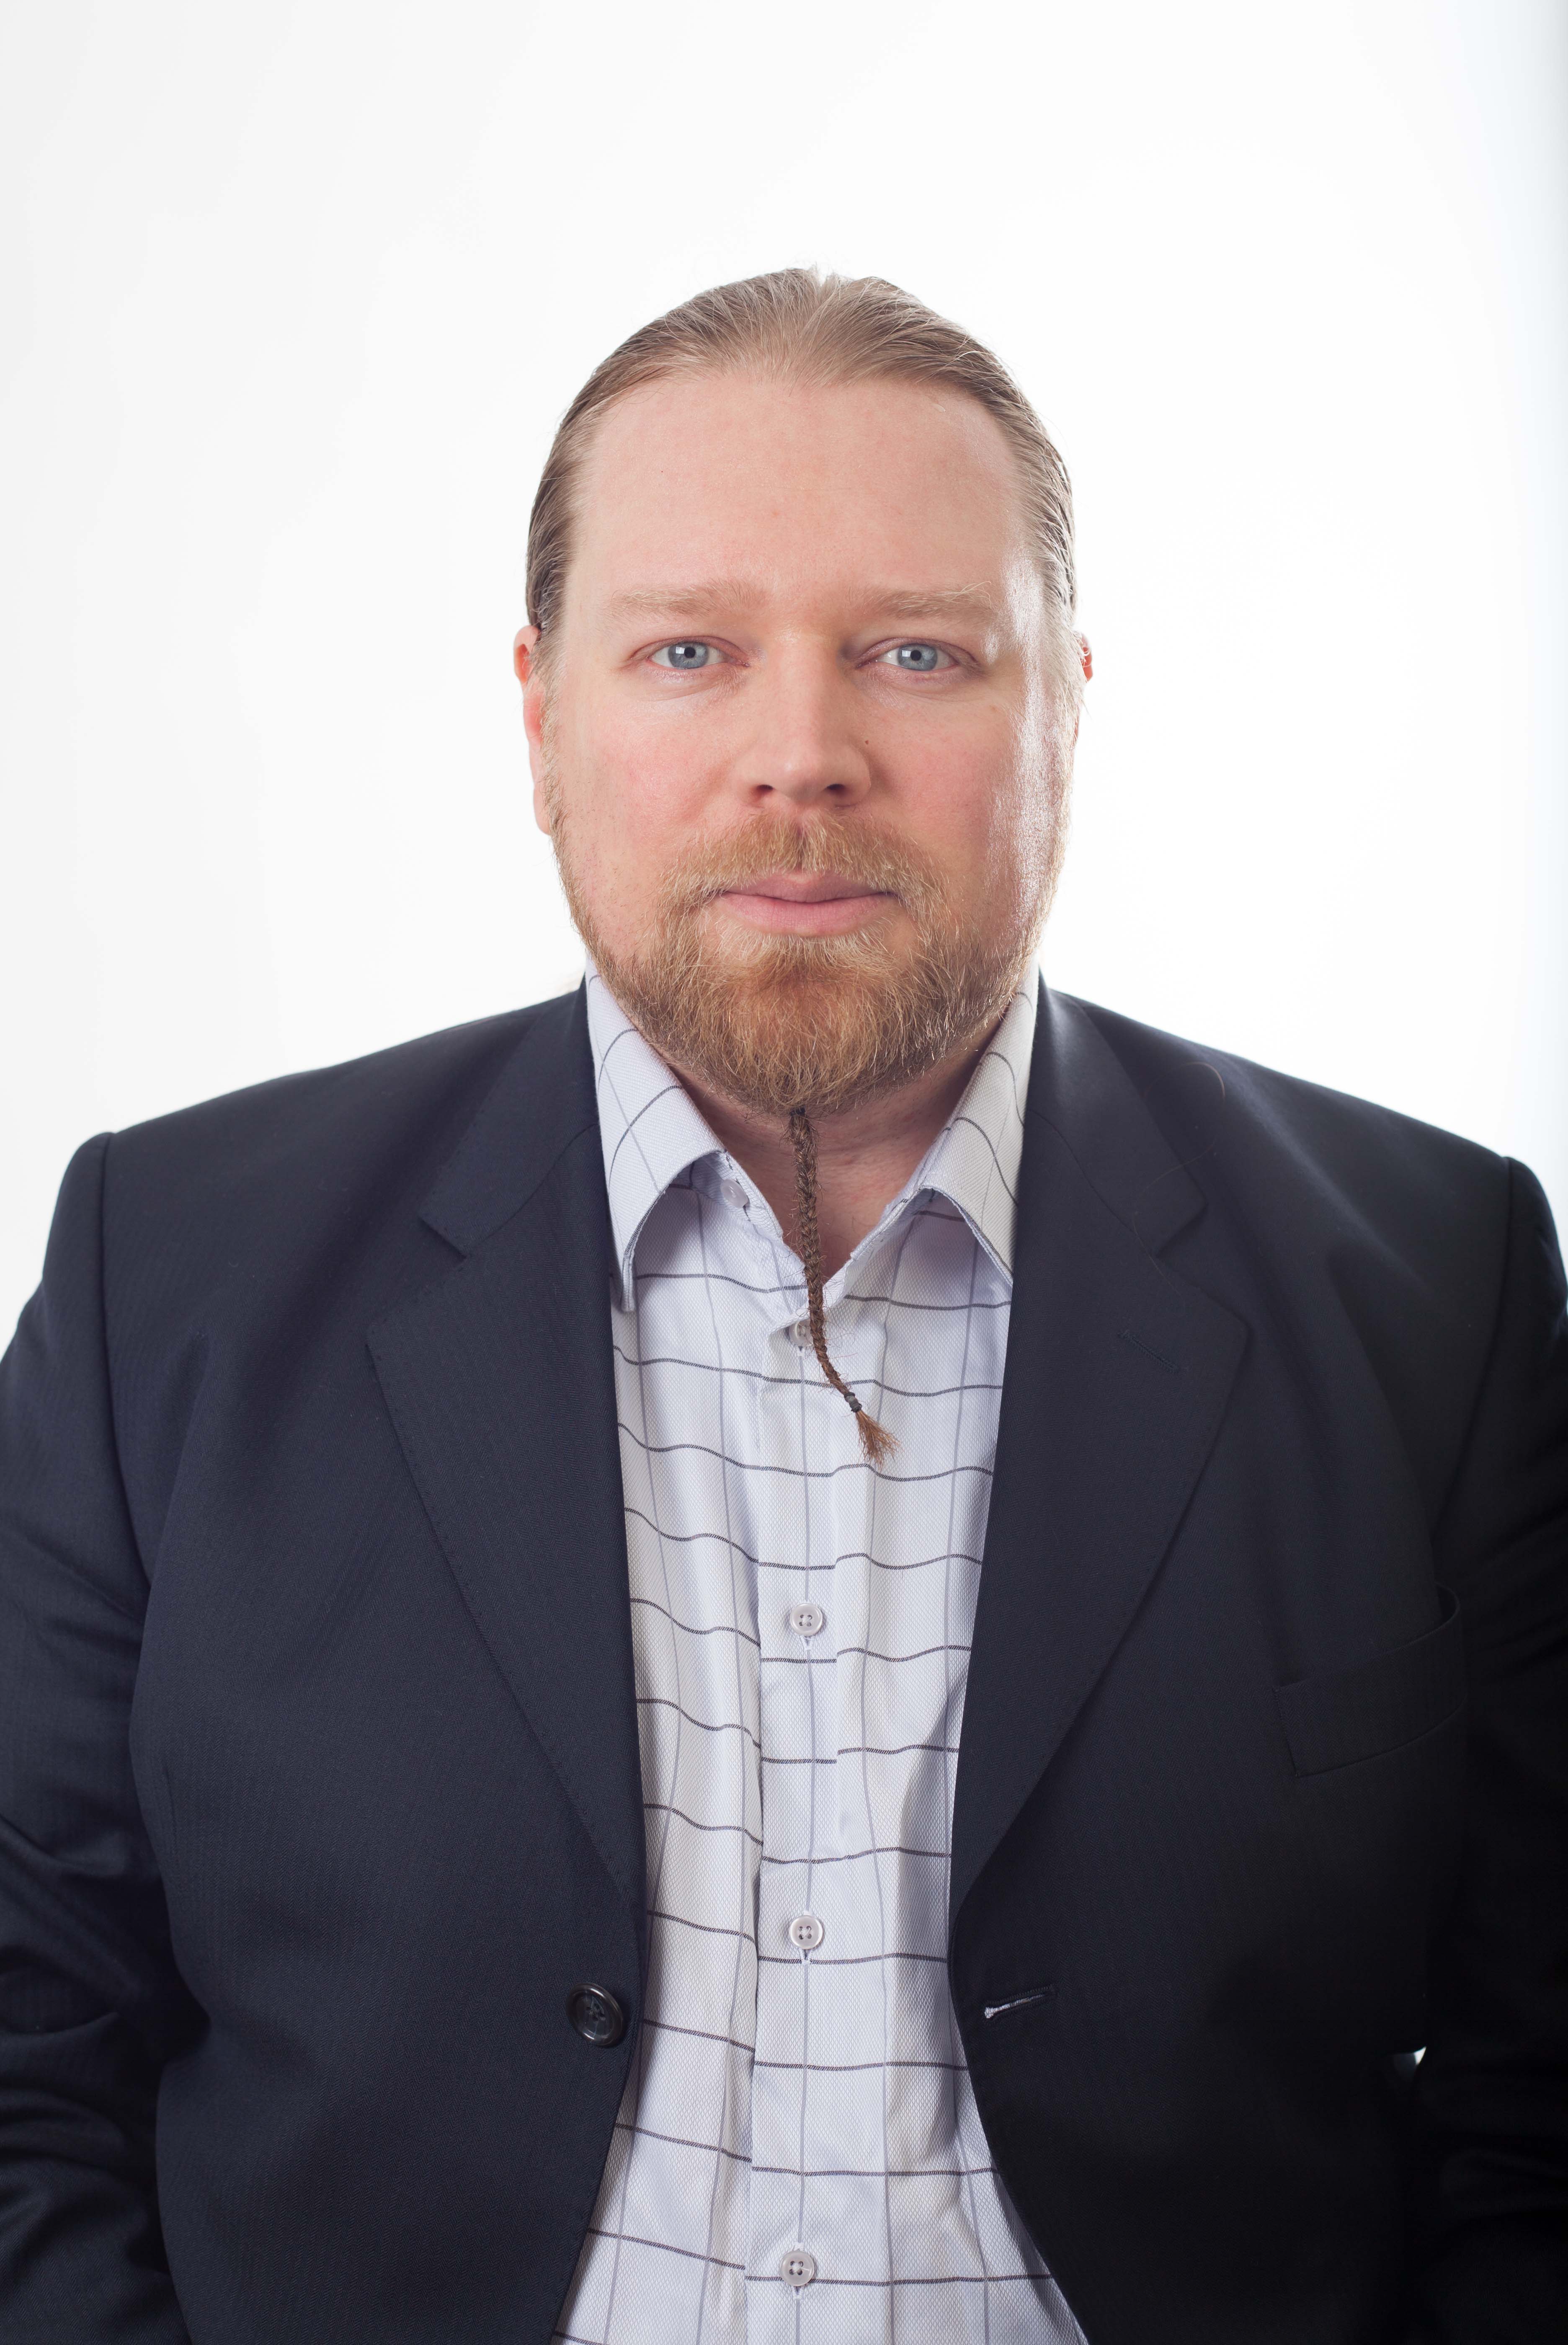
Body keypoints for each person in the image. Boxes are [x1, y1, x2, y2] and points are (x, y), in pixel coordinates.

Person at [0, 269, 1563, 2345]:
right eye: (691, 652)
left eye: (918, 652)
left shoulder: (1436, 1293)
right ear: (543, 720)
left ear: (1068, 710)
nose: (803, 757)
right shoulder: (171, 1277)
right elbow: (26, 2053)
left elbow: (1539, 2117)